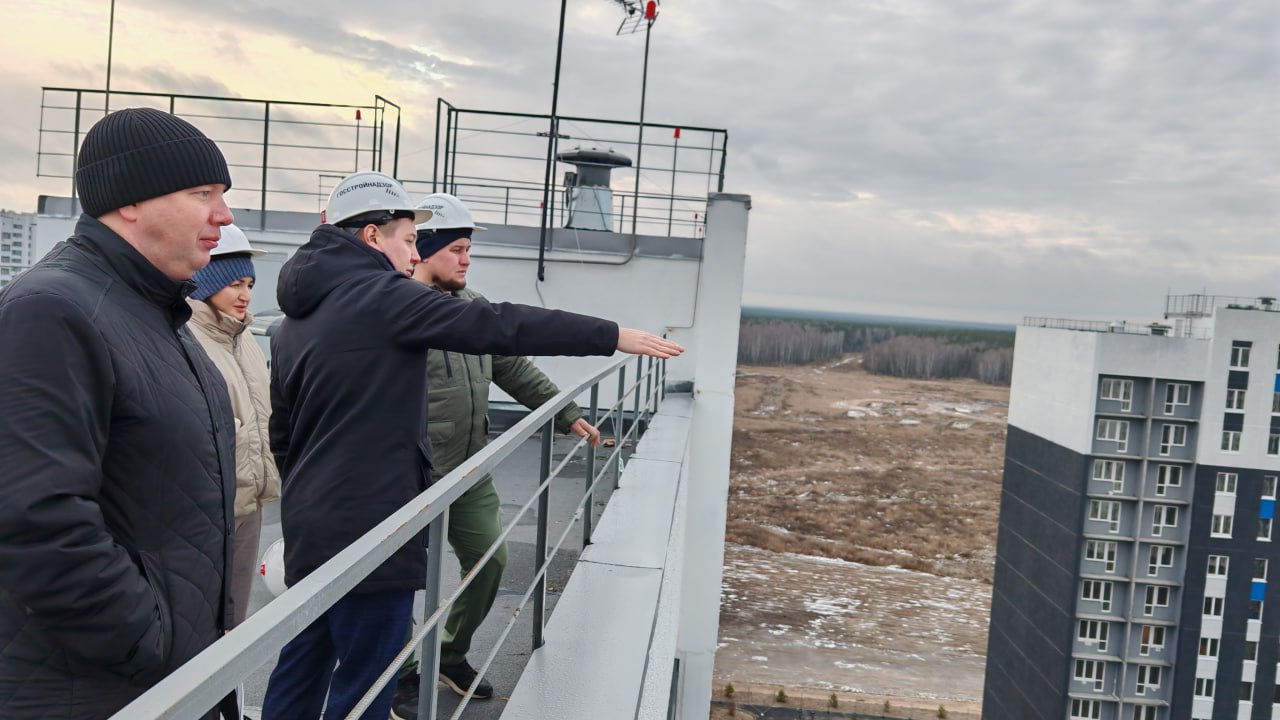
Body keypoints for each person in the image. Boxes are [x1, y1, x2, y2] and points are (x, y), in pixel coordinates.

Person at [261, 172, 682, 720]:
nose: (415, 256)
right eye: (409, 240)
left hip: (312, 524)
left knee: (304, 662)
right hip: (372, 526)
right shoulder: (382, 297)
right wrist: (610, 335)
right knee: (368, 680)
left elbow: (284, 435)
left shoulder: (295, 320)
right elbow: (498, 325)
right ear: (371, 236)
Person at [0, 107, 239, 719]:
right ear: (130, 202)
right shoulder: (51, 310)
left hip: (171, 677)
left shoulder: (157, 310)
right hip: (98, 688)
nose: (224, 215)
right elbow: (36, 519)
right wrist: (148, 642)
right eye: (202, 193)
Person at [390, 193, 601, 717]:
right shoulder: (394, 311)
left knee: (490, 561)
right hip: (408, 474)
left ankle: (450, 653)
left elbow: (511, 365)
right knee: (393, 582)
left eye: (468, 251)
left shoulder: (470, 309)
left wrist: (564, 410)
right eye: (457, 249)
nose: (465, 260)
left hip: (467, 468)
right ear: (424, 250)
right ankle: (402, 674)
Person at [186, 224, 281, 627]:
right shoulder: (186, 338)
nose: (244, 295)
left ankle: (229, 694)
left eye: (248, 284)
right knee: (201, 624)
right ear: (206, 284)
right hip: (207, 512)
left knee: (235, 623)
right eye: (233, 284)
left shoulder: (243, 339)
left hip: (248, 504)